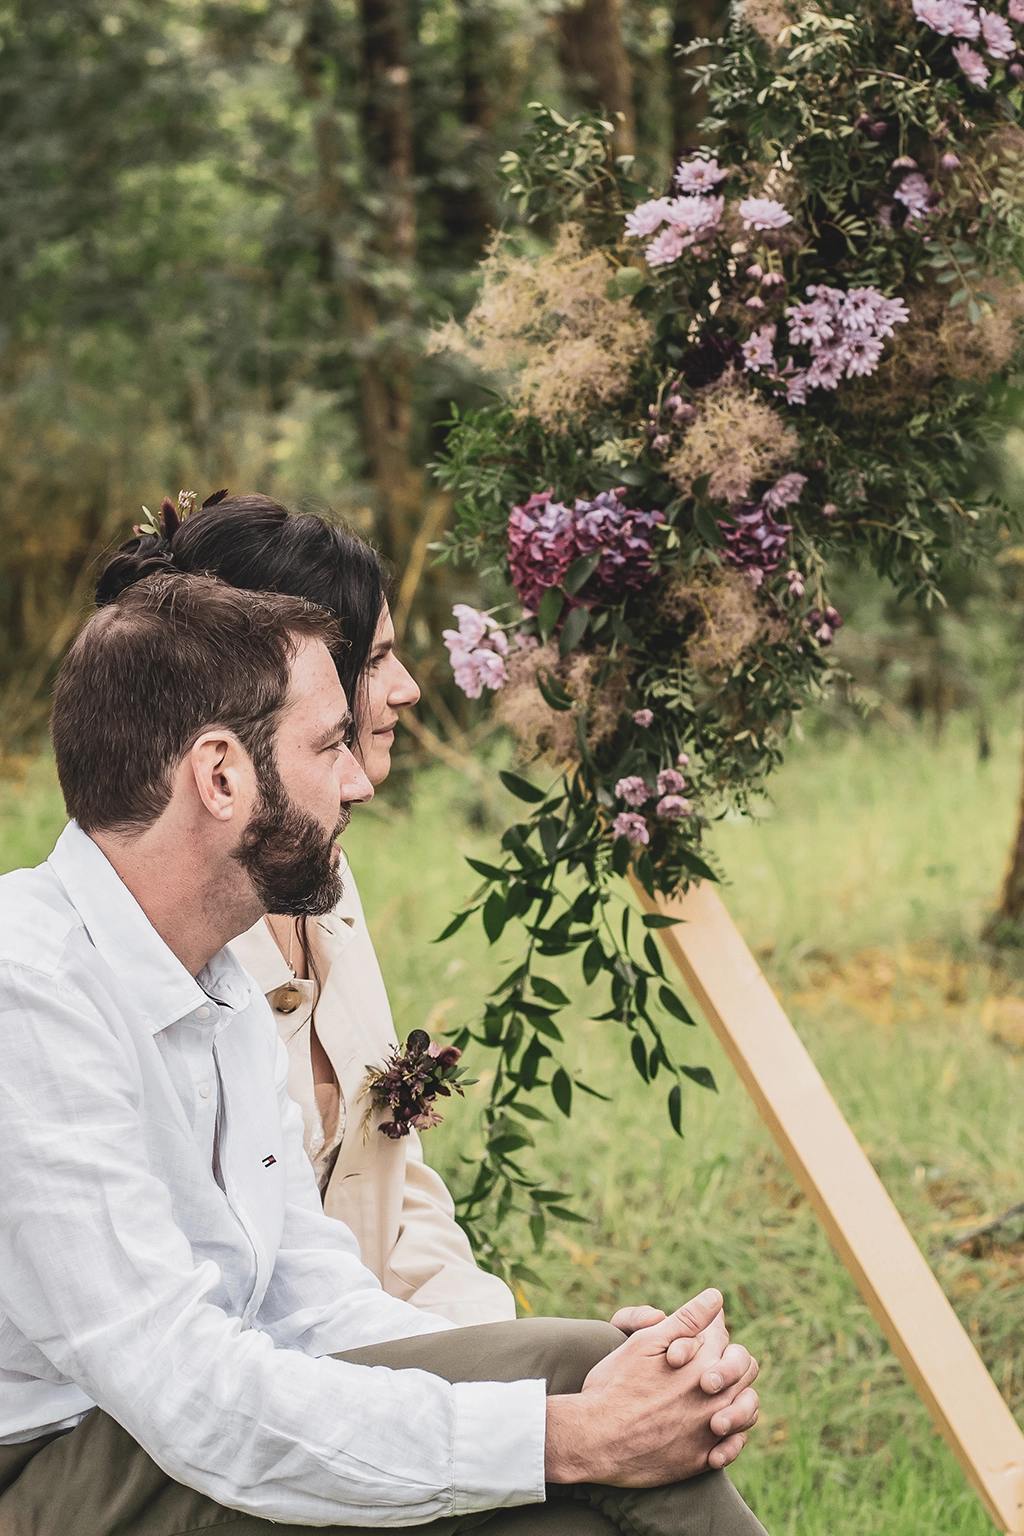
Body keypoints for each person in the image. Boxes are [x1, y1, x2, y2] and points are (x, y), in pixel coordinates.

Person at [0, 572, 767, 1535]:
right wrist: (565, 1442)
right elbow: (185, 1388)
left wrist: (591, 1402)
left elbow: (313, 1303)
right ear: (222, 776)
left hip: (170, 1416)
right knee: (558, 1495)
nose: (359, 779)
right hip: (51, 1469)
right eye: (328, 746)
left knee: (578, 1364)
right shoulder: (26, 989)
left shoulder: (214, 981)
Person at [97, 493, 515, 1325]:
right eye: (379, 658)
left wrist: (497, 1345)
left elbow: (397, 1188)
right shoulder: (172, 935)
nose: (407, 690)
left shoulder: (324, 877)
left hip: (364, 1338)